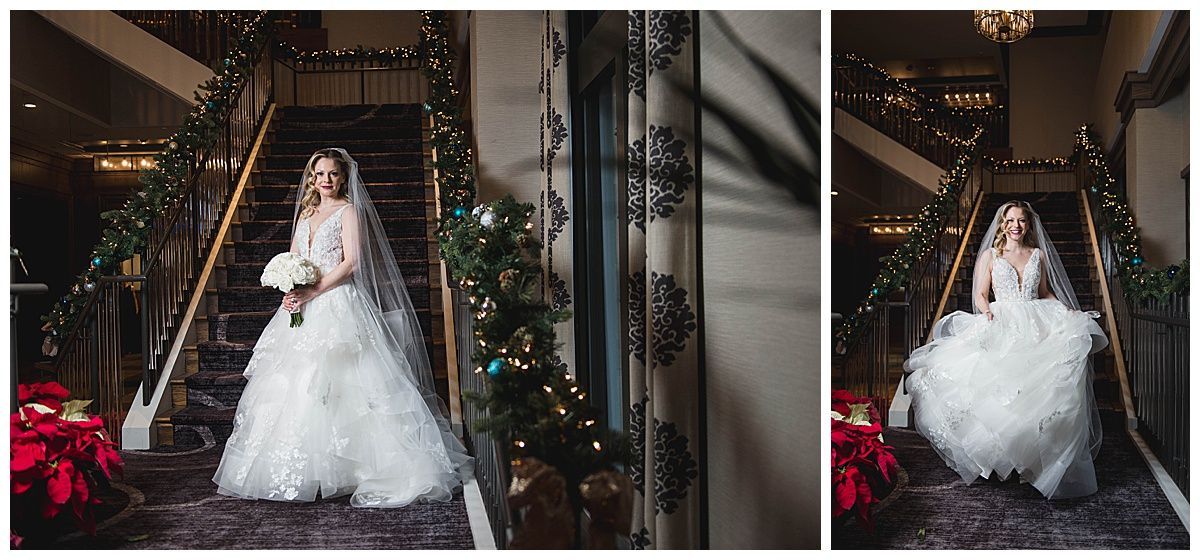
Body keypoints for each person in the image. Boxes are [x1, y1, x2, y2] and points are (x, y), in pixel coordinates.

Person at [212, 148, 472, 507]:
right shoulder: (305, 213)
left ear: (343, 177)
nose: (326, 180)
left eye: (333, 174)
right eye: (319, 174)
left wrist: (312, 291)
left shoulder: (349, 211)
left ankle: (357, 468)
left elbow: (352, 262)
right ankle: (304, 471)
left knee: (350, 382)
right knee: (295, 386)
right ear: (311, 179)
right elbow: (294, 260)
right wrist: (289, 293)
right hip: (301, 305)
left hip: (337, 303)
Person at [904, 199, 1108, 499]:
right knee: (1001, 390)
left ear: (1028, 224)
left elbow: (1044, 292)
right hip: (1002, 320)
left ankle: (1032, 460)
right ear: (1002, 224)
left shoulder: (1037, 254)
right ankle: (1006, 458)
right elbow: (980, 294)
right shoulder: (991, 254)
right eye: (1010, 220)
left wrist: (1065, 312)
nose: (1015, 225)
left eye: (1021, 220)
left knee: (1038, 390)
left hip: (1036, 320)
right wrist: (986, 313)